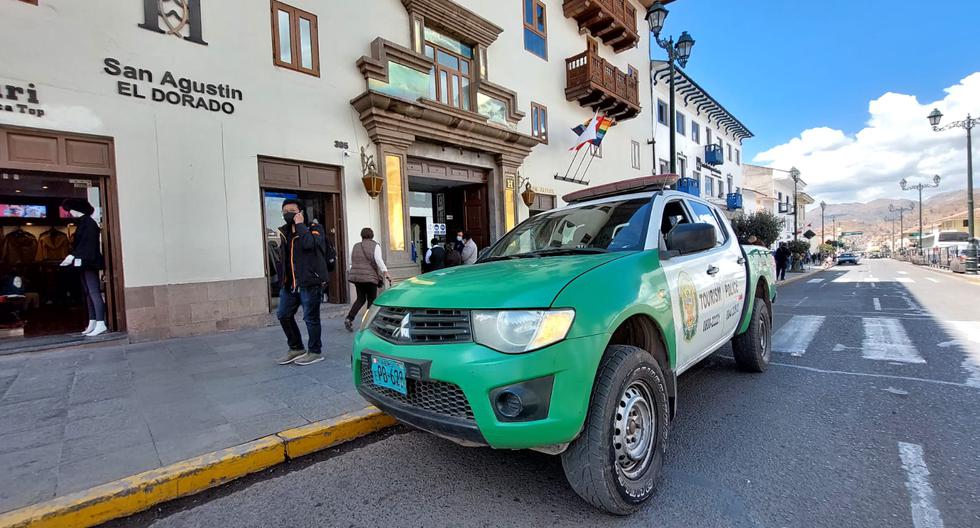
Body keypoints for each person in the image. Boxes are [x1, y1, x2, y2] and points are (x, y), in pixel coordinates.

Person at [276, 199, 330, 366]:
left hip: (310, 282)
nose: (288, 214)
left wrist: (300, 225)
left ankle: (314, 351)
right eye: (285, 211)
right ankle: (296, 348)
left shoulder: (314, 229)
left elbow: (309, 244)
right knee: (283, 315)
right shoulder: (285, 233)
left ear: (301, 212)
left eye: (292, 210)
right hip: (290, 284)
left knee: (310, 318)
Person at [60, 199, 107, 337]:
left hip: (89, 262)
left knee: (93, 292)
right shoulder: (84, 223)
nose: (69, 213)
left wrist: (73, 256)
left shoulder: (88, 224)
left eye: (70, 210)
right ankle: (93, 321)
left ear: (76, 208)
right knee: (88, 292)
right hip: (85, 262)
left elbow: (88, 245)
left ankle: (100, 322)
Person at [344, 227, 390, 332]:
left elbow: (353, 260)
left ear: (362, 235)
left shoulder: (356, 246)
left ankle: (349, 318)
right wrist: (386, 273)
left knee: (360, 299)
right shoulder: (375, 246)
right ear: (372, 235)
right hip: (369, 277)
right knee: (371, 300)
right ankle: (368, 323)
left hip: (357, 277)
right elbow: (378, 260)